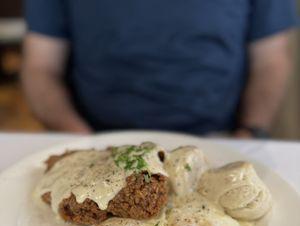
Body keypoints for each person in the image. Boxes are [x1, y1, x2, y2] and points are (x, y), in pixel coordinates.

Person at [22, 1, 298, 137]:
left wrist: (249, 132)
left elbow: (271, 61)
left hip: (219, 137)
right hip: (96, 136)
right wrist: (80, 140)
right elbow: (40, 66)